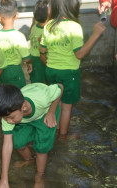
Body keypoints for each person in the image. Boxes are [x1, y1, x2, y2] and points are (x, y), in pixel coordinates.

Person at [40, 0, 106, 139]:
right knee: (66, 107)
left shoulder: (48, 26)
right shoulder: (74, 27)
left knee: (55, 102)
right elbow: (80, 54)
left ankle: (56, 128)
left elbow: (42, 49)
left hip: (51, 71)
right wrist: (95, 34)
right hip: (69, 74)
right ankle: (63, 135)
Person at [0, 83, 63, 188]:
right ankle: (28, 160)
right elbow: (7, 146)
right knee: (18, 142)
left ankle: (39, 177)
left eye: (11, 117)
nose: (8, 121)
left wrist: (51, 112)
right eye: (5, 118)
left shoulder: (42, 97)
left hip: (45, 112)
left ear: (23, 106)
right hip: (24, 118)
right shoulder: (8, 114)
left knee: (41, 148)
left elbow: (60, 87)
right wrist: (4, 179)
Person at [0, 0, 32, 88]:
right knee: (18, 93)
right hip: (15, 70)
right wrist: (30, 63)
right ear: (17, 15)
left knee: (4, 94)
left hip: (0, 70)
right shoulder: (19, 36)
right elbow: (26, 58)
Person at [28, 0, 49, 84]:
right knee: (43, 81)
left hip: (32, 57)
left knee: (35, 79)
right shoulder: (45, 31)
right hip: (41, 59)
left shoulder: (34, 27)